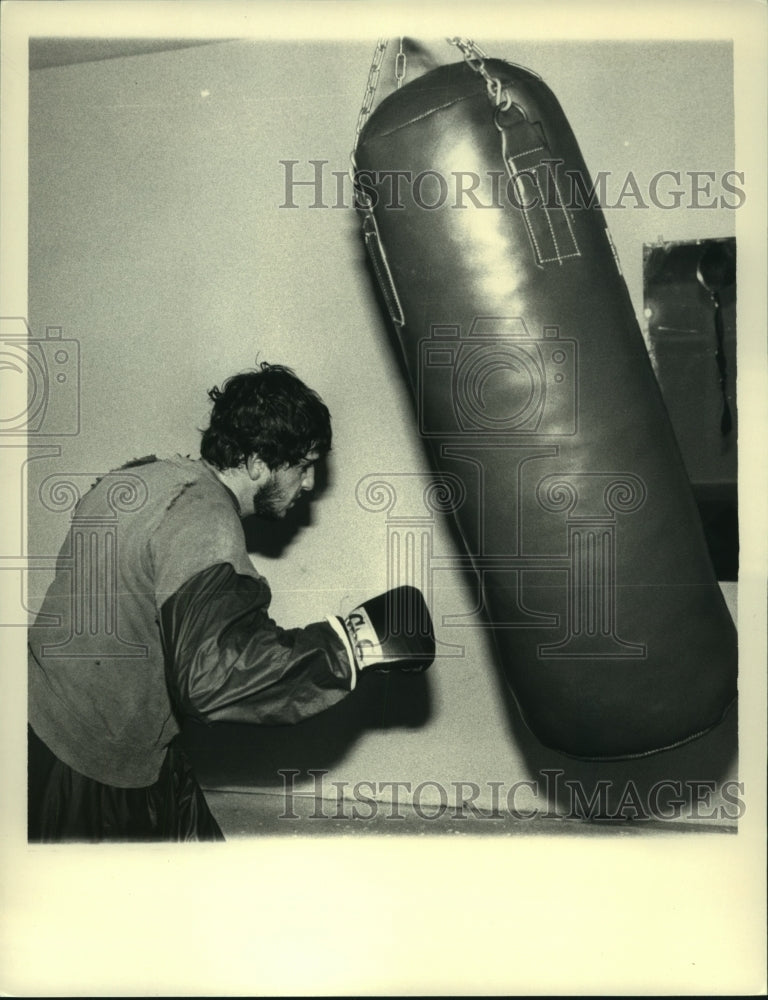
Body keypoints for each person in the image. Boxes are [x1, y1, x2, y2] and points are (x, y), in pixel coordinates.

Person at [28, 362, 434, 842]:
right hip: (88, 759)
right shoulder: (207, 521)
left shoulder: (137, 476)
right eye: (302, 466)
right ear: (259, 463)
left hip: (37, 716)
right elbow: (211, 677)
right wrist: (349, 646)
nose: (308, 484)